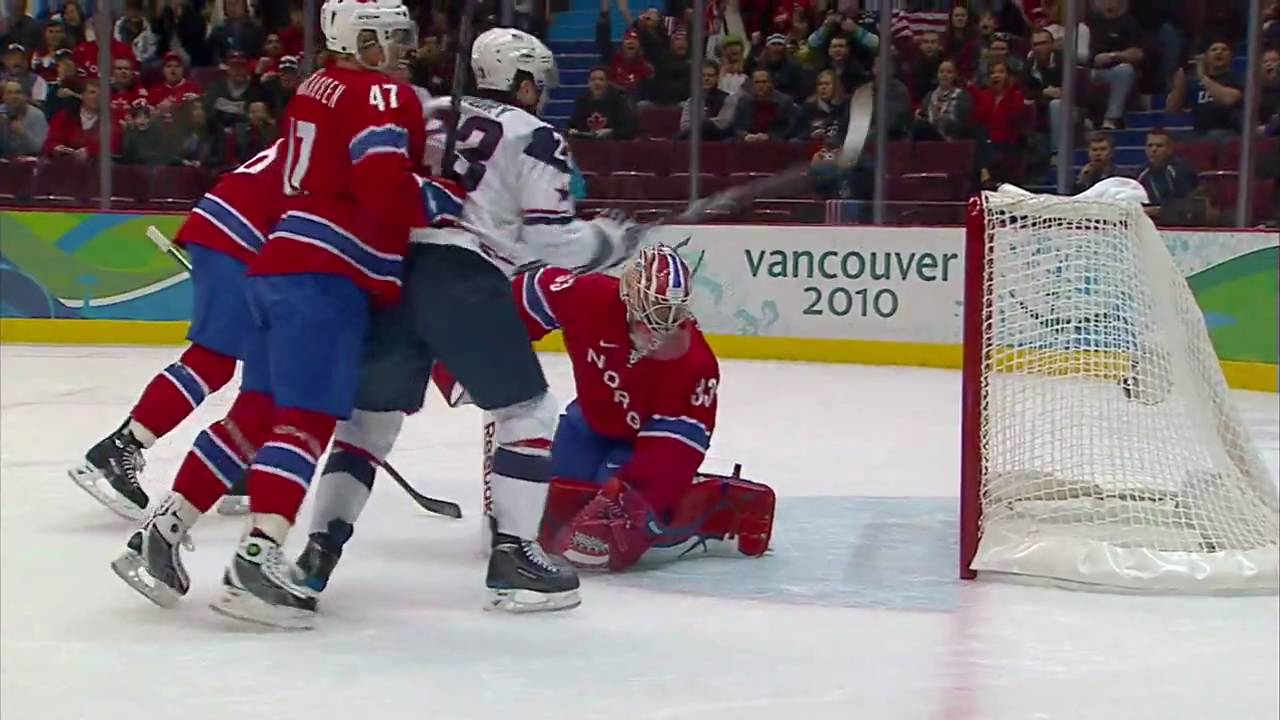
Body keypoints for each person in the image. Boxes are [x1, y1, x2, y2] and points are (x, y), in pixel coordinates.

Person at [111, 0, 463, 630]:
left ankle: (160, 535)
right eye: (391, 36)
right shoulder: (381, 95)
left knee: (255, 414)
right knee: (303, 423)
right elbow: (383, 186)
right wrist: (439, 197)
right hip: (328, 276)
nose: (404, 47)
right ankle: (257, 559)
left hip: (279, 264)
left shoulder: (315, 88)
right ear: (363, 38)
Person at [292, 27, 646, 615]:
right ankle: (514, 558)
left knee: (367, 424)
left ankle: (316, 558)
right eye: (538, 83)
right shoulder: (536, 134)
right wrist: (608, 241)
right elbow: (551, 241)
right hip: (464, 276)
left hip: (393, 268)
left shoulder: (430, 108)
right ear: (524, 81)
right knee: (527, 411)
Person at [71, 141, 285, 521]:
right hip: (240, 236)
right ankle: (119, 449)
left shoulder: (332, 129)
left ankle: (241, 462)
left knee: (269, 361)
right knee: (214, 360)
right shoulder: (361, 149)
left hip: (238, 229)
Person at [528, 248, 774, 572]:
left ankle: (708, 506)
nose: (662, 325)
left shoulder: (694, 364)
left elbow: (673, 450)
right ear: (628, 296)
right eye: (654, 309)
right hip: (589, 419)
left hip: (643, 442)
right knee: (547, 505)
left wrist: (635, 500)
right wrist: (476, 351)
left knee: (617, 528)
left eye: (672, 311)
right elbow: (531, 293)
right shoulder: (588, 296)